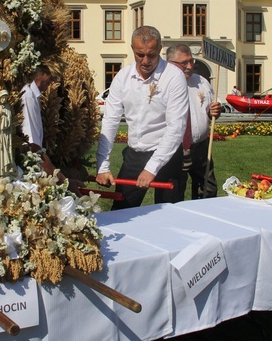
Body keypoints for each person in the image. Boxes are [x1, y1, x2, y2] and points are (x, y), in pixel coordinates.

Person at [95, 25, 189, 209]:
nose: (145, 61)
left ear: (160, 49)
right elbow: (110, 121)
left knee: (170, 215)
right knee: (122, 212)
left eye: (151, 55)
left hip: (167, 156)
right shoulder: (122, 77)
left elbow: (176, 127)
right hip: (135, 155)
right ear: (132, 49)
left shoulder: (174, 77)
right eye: (140, 55)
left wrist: (152, 168)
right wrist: (103, 165)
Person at [166, 45, 222, 200]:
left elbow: (212, 110)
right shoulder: (162, 84)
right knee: (175, 192)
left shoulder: (201, 82)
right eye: (184, 63)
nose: (190, 66)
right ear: (170, 62)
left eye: (191, 61)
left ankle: (204, 219)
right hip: (176, 149)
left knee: (208, 190)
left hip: (201, 147)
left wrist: (214, 111)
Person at [20, 65, 82, 192]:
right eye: (50, 75)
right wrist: (63, 181)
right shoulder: (28, 97)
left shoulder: (33, 96)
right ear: (40, 73)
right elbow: (33, 147)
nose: (52, 81)